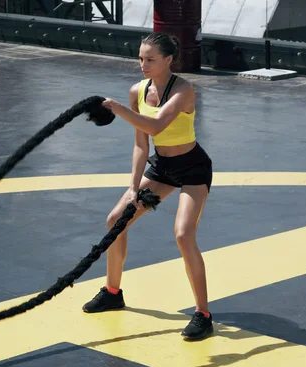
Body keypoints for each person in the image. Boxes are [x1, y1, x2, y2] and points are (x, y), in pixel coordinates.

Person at [82, 32, 214, 341]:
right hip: (162, 168)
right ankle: (113, 292)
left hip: (193, 169)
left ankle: (203, 314)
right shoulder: (137, 92)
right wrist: (132, 187)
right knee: (117, 219)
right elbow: (142, 144)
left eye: (150, 59)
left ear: (168, 60)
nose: (143, 64)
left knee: (183, 235)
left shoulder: (183, 90)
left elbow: (155, 126)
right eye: (141, 58)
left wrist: (117, 109)